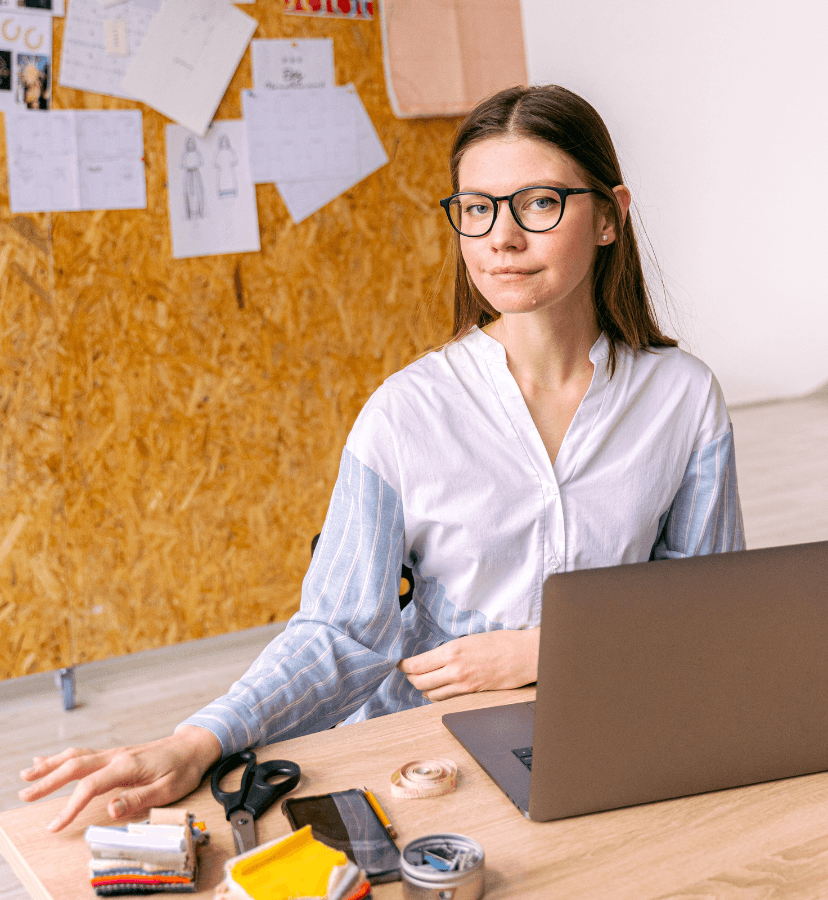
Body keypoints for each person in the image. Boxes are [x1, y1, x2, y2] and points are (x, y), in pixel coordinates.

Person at [19, 84, 744, 831]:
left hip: (613, 730)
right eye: (478, 208)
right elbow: (339, 633)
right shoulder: (407, 413)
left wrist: (543, 650)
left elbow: (710, 608)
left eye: (538, 204)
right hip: (433, 755)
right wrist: (195, 740)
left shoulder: (683, 400)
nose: (501, 238)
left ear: (609, 217)